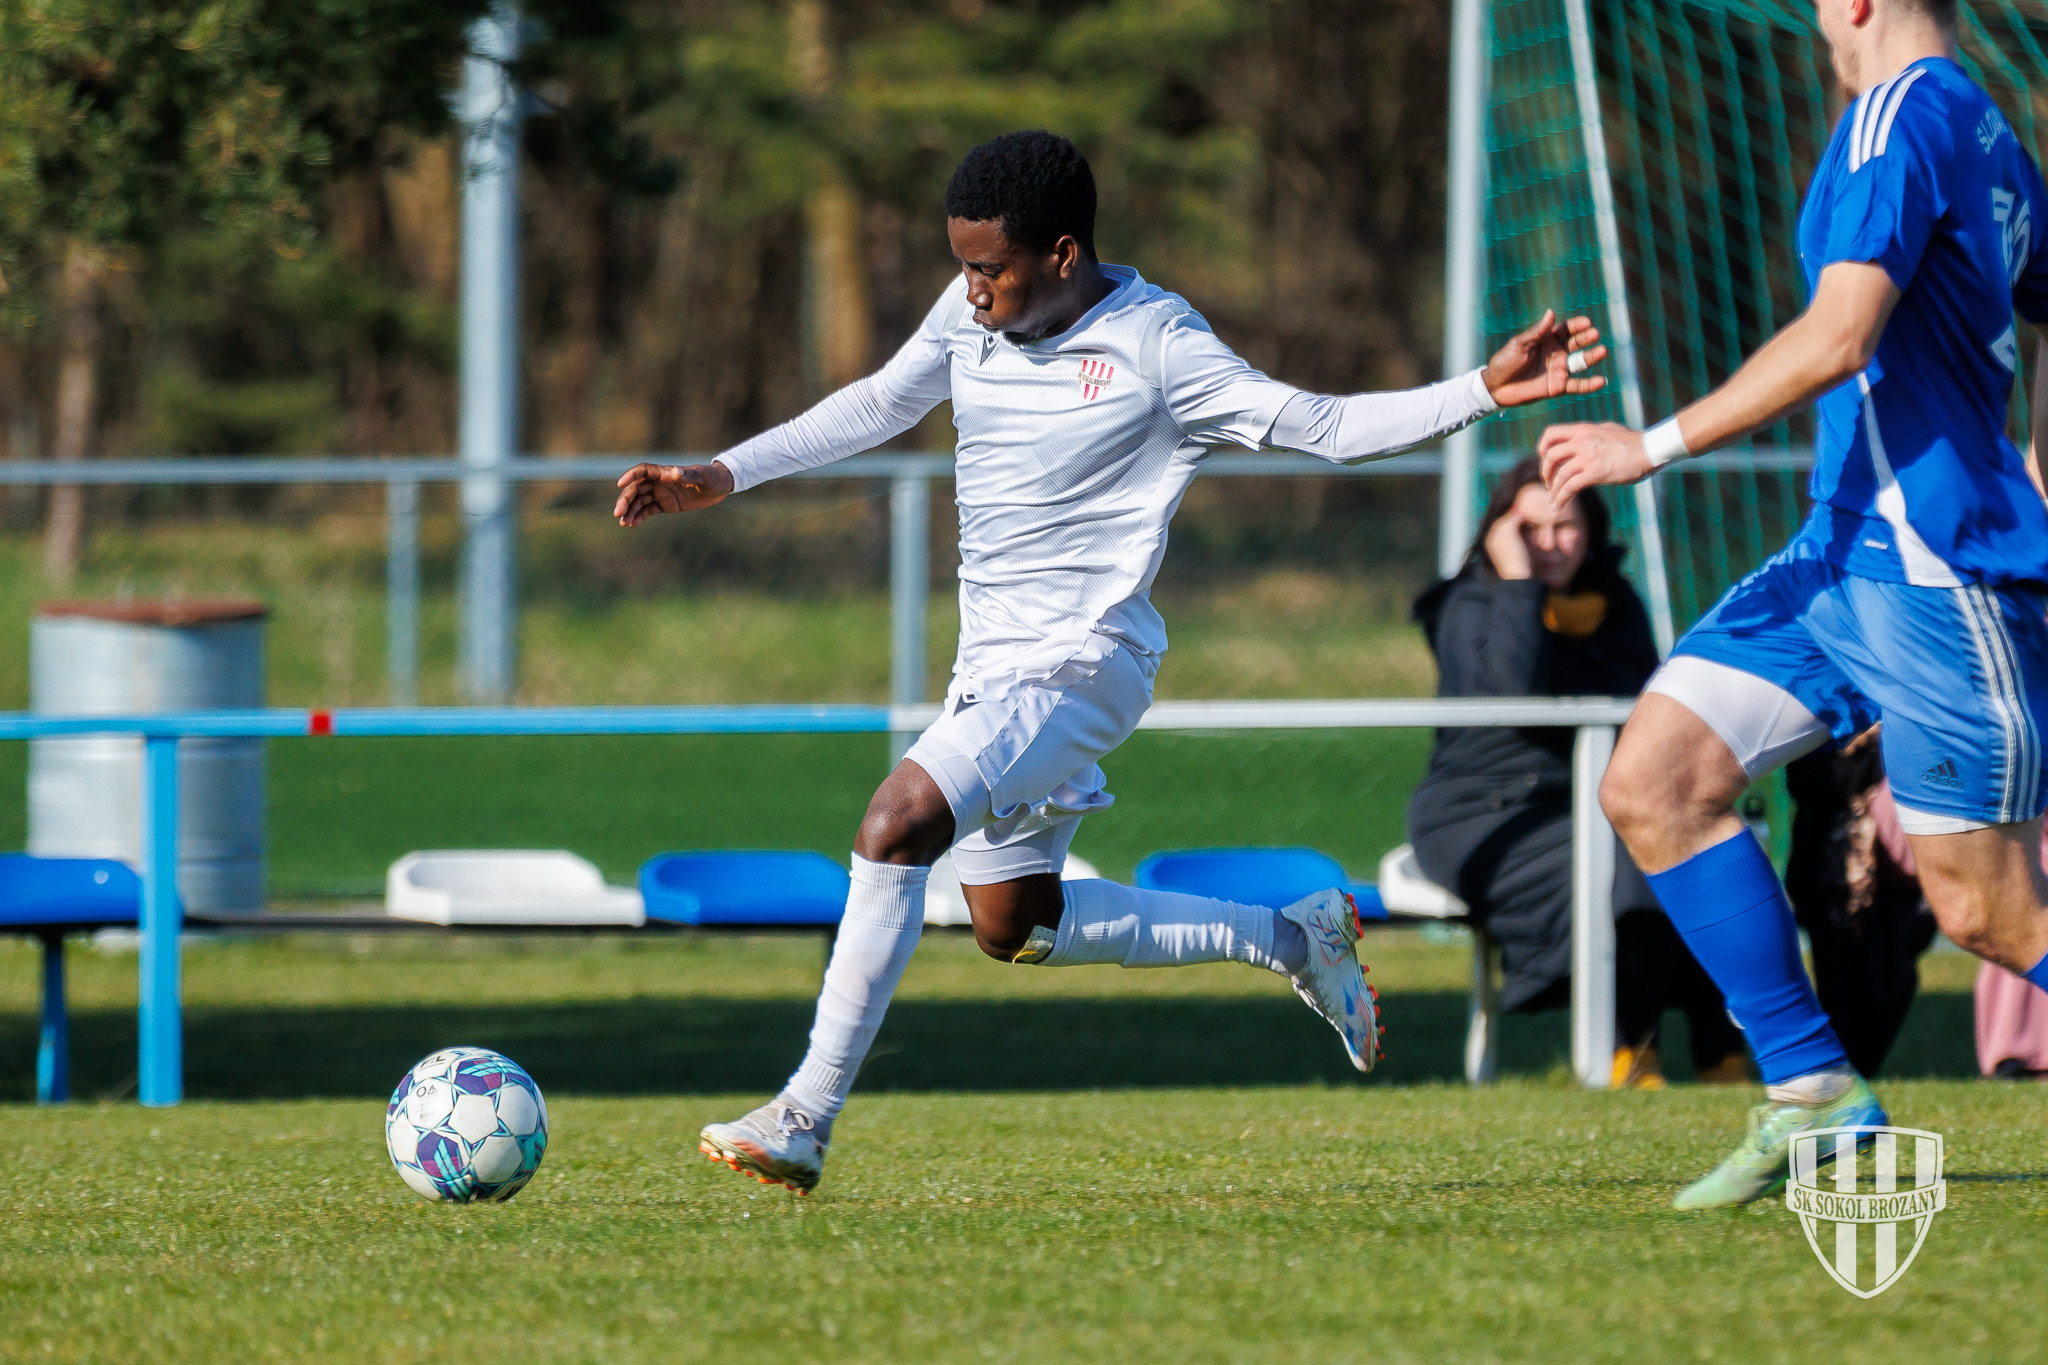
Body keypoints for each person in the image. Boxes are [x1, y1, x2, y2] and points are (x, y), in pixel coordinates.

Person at [615, 130, 1606, 1193]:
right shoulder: (969, 310)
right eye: (962, 267)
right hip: (992, 674)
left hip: (1083, 667)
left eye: (990, 269)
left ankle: (803, 1115)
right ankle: (1290, 939)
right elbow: (879, 401)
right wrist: (723, 473)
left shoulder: (1158, 345)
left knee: (895, 822)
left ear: (1062, 254)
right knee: (1014, 924)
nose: (971, 291)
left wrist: (1481, 390)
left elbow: (1322, 426)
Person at [1538, 0, 2048, 1208]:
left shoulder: (1896, 116)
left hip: (1931, 569)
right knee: (1653, 783)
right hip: (1833, 556)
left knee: (1986, 912)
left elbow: (1837, 336)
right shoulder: (1980, 125)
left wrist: (1647, 445)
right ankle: (1812, 1093)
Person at [1409, 457, 1744, 1088]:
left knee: (1694, 849)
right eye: (1529, 529)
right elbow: (1515, 692)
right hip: (1483, 818)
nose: (1549, 543)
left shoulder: (1615, 606)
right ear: (1500, 533)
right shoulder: (1468, 604)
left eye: (1565, 526)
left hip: (1590, 807)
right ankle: (1631, 1052)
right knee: (1624, 860)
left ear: (1590, 532)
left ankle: (1723, 1053)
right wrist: (1518, 582)